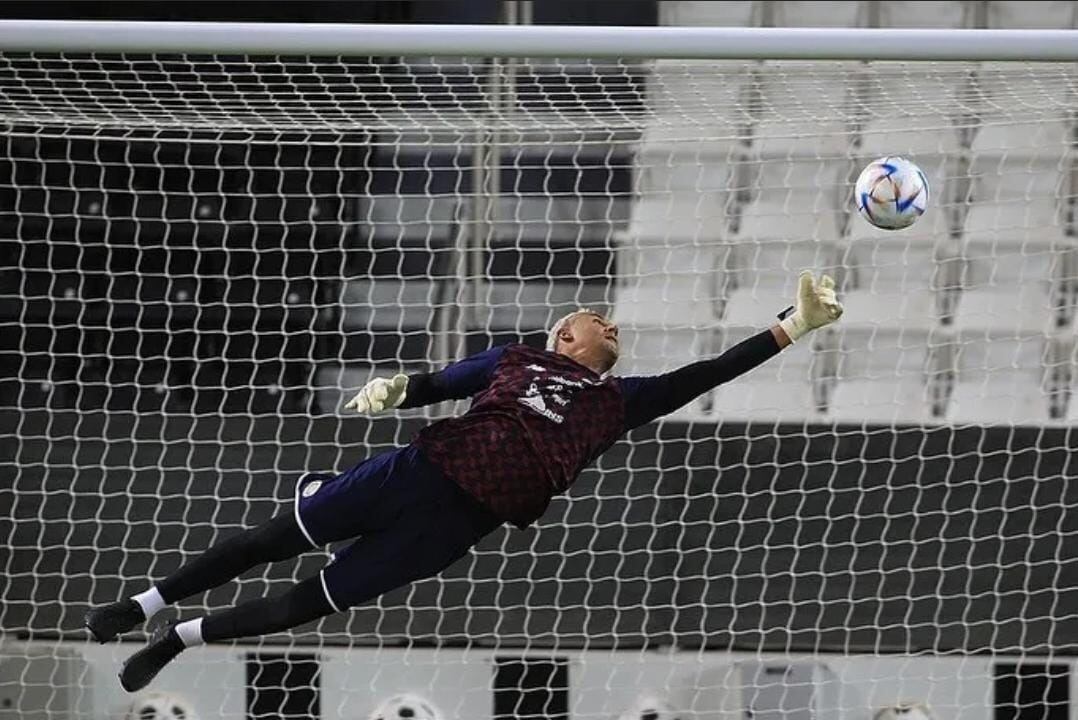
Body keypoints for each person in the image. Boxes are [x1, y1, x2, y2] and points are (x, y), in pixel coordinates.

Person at [85, 270, 842, 692]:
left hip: (455, 527)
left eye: (612, 325)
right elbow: (438, 382)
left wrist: (794, 324)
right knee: (270, 541)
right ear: (564, 334)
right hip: (416, 471)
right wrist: (393, 390)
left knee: (309, 603)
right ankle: (142, 604)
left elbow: (710, 371)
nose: (612, 327)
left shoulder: (620, 401)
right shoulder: (515, 359)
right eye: (599, 321)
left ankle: (180, 637)